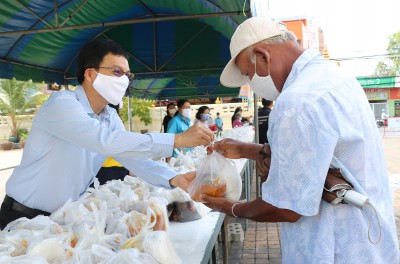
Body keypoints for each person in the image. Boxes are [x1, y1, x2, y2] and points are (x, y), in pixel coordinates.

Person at [201, 16, 399, 263]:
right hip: (368, 240)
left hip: (334, 247)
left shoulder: (297, 101)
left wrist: (228, 206)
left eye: (249, 73)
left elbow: (286, 207)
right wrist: (250, 150)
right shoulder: (334, 77)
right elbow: (319, 153)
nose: (251, 83)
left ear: (263, 56)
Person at [0, 39, 214, 230]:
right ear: (91, 74)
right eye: (117, 72)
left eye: (128, 74)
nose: (125, 80)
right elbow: (105, 141)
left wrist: (173, 178)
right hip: (21, 216)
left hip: (60, 220)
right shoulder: (62, 104)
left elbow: (130, 157)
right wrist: (177, 139)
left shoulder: (109, 116)